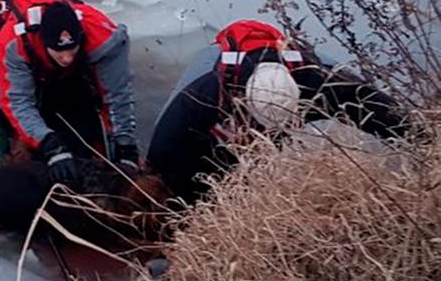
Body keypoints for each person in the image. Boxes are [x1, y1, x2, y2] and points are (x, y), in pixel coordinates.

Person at [147, 19, 409, 203]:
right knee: (211, 164)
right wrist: (190, 201)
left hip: (283, 59)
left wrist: (416, 136)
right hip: (213, 59)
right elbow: (166, 150)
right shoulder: (205, 93)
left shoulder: (312, 81)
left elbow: (369, 105)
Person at [0, 0, 139, 188]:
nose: (66, 58)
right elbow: (17, 102)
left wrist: (125, 145)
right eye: (59, 52)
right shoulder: (14, 44)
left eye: (71, 50)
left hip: (72, 66)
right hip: (29, 63)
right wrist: (50, 146)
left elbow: (118, 94)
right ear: (44, 43)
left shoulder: (103, 36)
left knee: (85, 97)